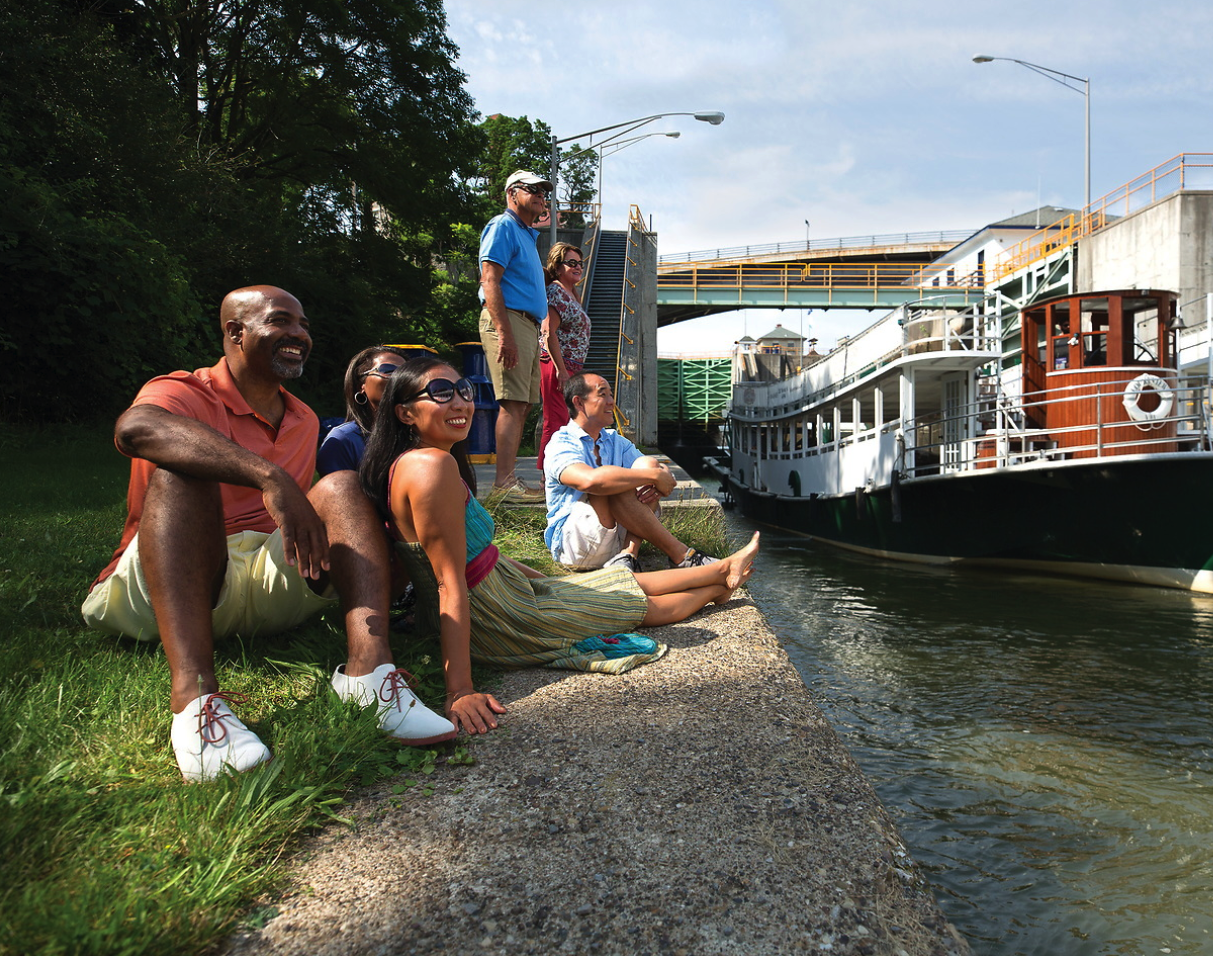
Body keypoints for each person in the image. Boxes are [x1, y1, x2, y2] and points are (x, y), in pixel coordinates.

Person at [81, 286, 455, 783]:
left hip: (264, 575)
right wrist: (268, 475)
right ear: (235, 332)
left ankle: (370, 676)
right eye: (281, 321)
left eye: (303, 325)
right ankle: (196, 705)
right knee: (180, 472)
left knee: (342, 485)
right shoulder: (184, 390)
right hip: (167, 585)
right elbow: (135, 428)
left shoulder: (301, 418)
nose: (299, 334)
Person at [358, 357, 760, 735]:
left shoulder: (417, 461)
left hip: (502, 589)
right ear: (405, 412)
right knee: (621, 605)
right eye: (441, 392)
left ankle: (720, 571)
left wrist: (536, 581)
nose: (460, 401)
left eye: (462, 390)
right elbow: (449, 583)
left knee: (594, 587)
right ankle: (718, 584)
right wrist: (459, 690)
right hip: (496, 615)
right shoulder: (432, 467)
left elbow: (473, 557)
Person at [543, 373, 719, 573]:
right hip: (575, 545)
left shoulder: (614, 440)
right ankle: (680, 554)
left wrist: (655, 477)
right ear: (579, 403)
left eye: (611, 394)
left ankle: (628, 556)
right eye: (603, 395)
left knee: (647, 463)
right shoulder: (561, 443)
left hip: (616, 538)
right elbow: (590, 482)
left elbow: (661, 475)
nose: (612, 401)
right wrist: (652, 477)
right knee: (611, 480)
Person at [478, 169, 552, 502]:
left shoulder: (526, 234)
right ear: (512, 193)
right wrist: (505, 334)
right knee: (511, 403)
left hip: (526, 324)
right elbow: (490, 280)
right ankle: (503, 484)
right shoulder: (503, 226)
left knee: (521, 405)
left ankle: (508, 481)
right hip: (509, 321)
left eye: (543, 192)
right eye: (533, 189)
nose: (540, 195)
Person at [537, 242, 591, 473]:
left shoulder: (572, 293)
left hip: (571, 366)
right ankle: (547, 476)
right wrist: (561, 370)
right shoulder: (557, 291)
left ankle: (562, 469)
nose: (578, 267)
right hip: (558, 364)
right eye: (571, 263)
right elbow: (548, 333)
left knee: (567, 421)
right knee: (556, 420)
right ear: (558, 267)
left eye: (580, 263)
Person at [317, 346, 407, 475]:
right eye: (388, 370)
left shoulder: (417, 437)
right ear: (361, 385)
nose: (398, 378)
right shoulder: (344, 440)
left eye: (405, 372)